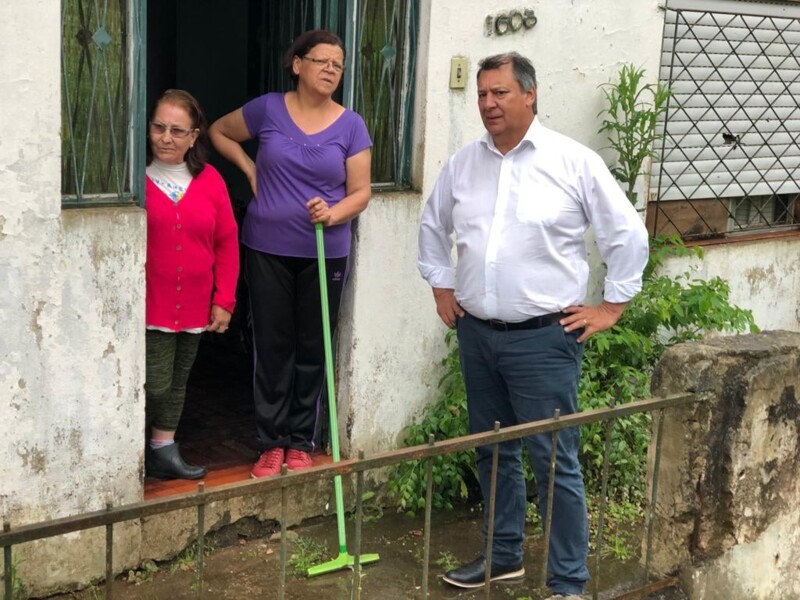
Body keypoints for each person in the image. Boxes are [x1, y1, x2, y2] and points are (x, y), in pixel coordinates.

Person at [417, 53, 649, 598]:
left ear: (530, 95)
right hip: (478, 336)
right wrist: (441, 285)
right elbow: (433, 225)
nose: (489, 104)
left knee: (554, 463)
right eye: (481, 94)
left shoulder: (572, 162)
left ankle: (568, 582)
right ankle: (503, 558)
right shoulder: (463, 164)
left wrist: (611, 307)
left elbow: (627, 235)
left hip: (545, 340)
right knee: (492, 453)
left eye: (499, 93)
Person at [209, 30, 372, 479]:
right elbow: (219, 132)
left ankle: (301, 441)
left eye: (337, 65)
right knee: (272, 345)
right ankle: (270, 442)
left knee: (312, 344)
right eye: (321, 61)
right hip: (266, 246)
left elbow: (361, 193)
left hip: (325, 251)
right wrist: (249, 167)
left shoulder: (351, 125)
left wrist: (334, 211)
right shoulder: (267, 109)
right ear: (296, 64)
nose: (330, 70)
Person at [144, 89, 240, 480]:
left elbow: (227, 241)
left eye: (177, 130)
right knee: (154, 383)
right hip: (151, 304)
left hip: (197, 304)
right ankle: (131, 446)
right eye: (159, 127)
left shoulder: (210, 179)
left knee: (179, 380)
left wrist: (225, 300)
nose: (166, 137)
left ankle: (162, 449)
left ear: (194, 135)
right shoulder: (136, 179)